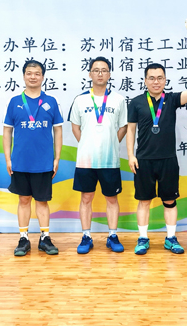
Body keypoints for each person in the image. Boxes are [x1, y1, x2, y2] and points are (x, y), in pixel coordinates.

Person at [126, 63, 187, 255]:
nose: (156, 82)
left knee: (169, 201)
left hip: (168, 159)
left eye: (160, 78)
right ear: (145, 80)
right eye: (152, 78)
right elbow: (131, 130)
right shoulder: (136, 102)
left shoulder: (171, 99)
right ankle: (143, 238)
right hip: (143, 160)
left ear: (165, 80)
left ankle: (171, 238)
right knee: (144, 201)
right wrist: (130, 155)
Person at [3, 60, 62, 257]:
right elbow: (7, 131)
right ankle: (23, 238)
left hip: (43, 162)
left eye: (37, 73)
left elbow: (58, 131)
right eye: (29, 73)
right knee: (23, 199)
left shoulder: (51, 101)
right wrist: (8, 158)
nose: (33, 77)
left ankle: (45, 238)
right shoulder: (14, 102)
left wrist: (57, 158)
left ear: (43, 77)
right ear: (23, 76)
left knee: (42, 201)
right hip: (20, 162)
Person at [69, 56, 127, 254]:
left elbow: (123, 126)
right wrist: (87, 144)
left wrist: (111, 143)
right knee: (86, 198)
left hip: (110, 160)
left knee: (112, 198)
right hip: (85, 161)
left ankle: (112, 235)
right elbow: (75, 127)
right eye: (96, 70)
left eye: (104, 70)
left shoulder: (119, 100)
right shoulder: (80, 100)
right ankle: (86, 236)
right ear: (90, 74)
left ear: (109, 74)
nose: (100, 73)